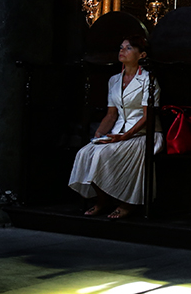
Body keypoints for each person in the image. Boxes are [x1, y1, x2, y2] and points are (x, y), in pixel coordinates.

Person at [68, 34, 161, 219]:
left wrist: (125, 136)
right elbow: (111, 115)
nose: (122, 51)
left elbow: (147, 116)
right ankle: (103, 200)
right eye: (121, 47)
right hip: (119, 132)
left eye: (128, 48)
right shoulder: (114, 80)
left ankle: (127, 203)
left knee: (104, 154)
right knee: (86, 153)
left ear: (141, 55)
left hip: (144, 133)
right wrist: (100, 134)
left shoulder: (149, 80)